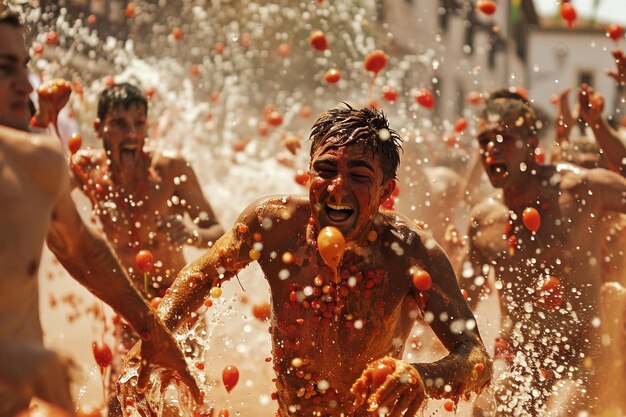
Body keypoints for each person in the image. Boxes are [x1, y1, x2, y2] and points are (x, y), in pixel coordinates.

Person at [119, 105, 493, 417]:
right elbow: (202, 272)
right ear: (309, 172)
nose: (337, 188)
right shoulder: (275, 226)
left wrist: (419, 377)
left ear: (386, 192)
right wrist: (155, 334)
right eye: (326, 170)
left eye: (359, 176)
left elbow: (476, 357)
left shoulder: (411, 253)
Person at [0, 6, 200, 416]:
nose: (26, 85)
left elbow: (81, 251)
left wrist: (154, 332)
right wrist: (15, 360)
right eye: (5, 69)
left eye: (25, 67)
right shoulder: (80, 167)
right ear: (101, 128)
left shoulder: (35, 166)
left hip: (165, 306)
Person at [461, 89, 626, 416]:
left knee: (565, 407)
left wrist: (598, 127)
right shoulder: (484, 219)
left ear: (533, 144)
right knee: (487, 406)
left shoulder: (578, 189)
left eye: (504, 138)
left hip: (583, 353)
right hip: (517, 353)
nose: (492, 150)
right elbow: (464, 302)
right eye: (484, 141)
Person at [71, 82, 224, 300]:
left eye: (139, 123)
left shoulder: (171, 169)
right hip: (130, 302)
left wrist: (191, 236)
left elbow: (218, 233)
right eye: (119, 123)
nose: (131, 133)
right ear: (98, 128)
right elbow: (39, 192)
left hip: (178, 295)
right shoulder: (87, 170)